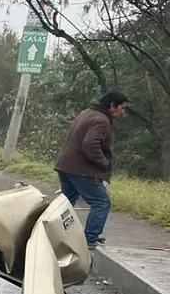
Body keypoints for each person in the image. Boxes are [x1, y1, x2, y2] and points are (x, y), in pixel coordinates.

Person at [55, 90, 129, 247]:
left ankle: (51, 232)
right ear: (112, 106)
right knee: (102, 202)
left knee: (65, 203)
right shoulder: (101, 120)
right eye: (121, 107)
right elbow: (90, 144)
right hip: (82, 170)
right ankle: (90, 238)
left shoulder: (88, 112)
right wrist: (103, 162)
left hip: (66, 165)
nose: (123, 111)